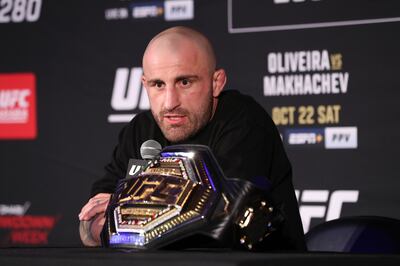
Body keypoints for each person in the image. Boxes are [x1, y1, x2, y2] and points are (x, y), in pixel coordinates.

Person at [78, 26, 306, 250]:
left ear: (216, 82)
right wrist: (124, 217)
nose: (170, 103)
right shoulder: (140, 129)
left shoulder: (244, 122)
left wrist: (124, 213)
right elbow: (90, 223)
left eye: (184, 82)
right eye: (158, 84)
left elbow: (218, 220)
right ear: (145, 85)